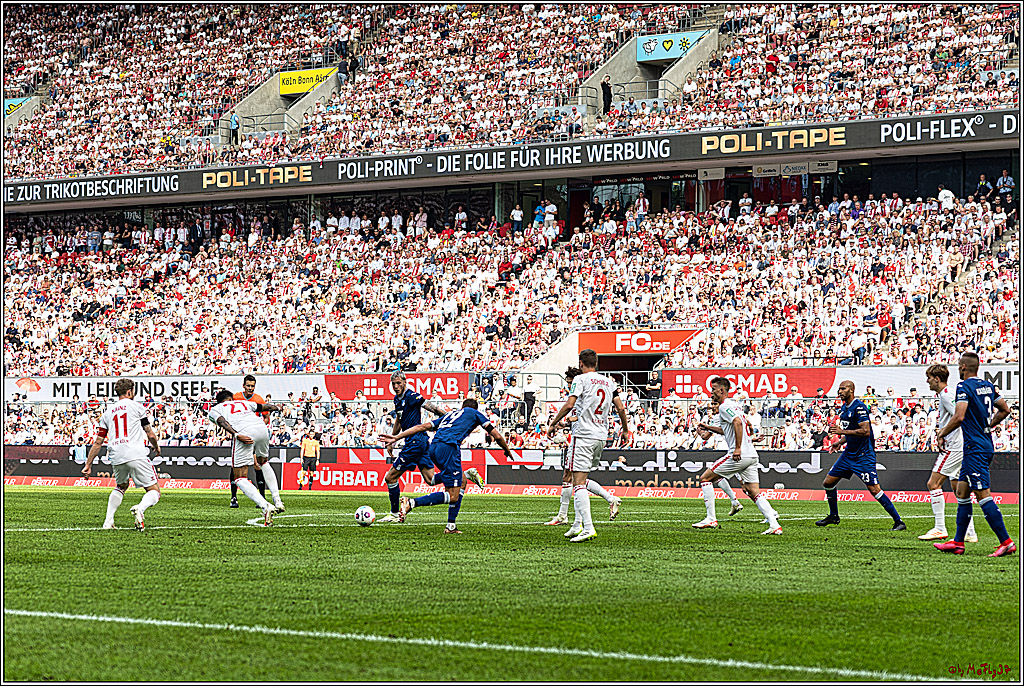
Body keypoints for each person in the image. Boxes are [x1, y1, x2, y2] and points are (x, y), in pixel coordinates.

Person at [382, 399, 512, 534]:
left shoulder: (449, 415)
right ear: (475, 408)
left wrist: (396, 437)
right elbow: (496, 435)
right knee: (453, 496)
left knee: (457, 482)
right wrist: (507, 450)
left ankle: (451, 526)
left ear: (462, 407)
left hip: (434, 447)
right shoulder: (474, 413)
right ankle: (411, 503)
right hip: (449, 447)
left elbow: (421, 427)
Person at [934, 353, 1015, 556]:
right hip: (983, 444)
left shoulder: (963, 387)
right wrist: (988, 426)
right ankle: (958, 542)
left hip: (974, 448)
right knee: (962, 491)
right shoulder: (988, 386)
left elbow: (959, 416)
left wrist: (942, 433)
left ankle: (1006, 542)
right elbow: (1005, 409)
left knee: (982, 495)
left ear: (962, 367)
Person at [546, 349, 631, 542]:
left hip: (583, 436)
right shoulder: (609, 382)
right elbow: (620, 407)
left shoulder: (581, 380)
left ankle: (588, 527)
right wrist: (625, 430)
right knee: (579, 480)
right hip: (601, 436)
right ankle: (578, 525)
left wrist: (553, 423)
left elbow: (569, 405)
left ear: (581, 364)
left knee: (577, 483)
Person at [378, 370, 484, 523]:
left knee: (390, 478)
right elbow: (399, 420)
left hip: (415, 442)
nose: (396, 386)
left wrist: (449, 417)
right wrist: (393, 441)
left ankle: (394, 514)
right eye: (393, 384)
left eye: (399, 383)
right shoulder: (397, 400)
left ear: (405, 382)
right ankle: (465, 474)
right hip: (419, 442)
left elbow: (432, 408)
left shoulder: (412, 396)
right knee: (431, 480)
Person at [693, 378, 782, 534]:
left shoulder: (724, 406)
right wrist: (708, 427)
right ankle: (774, 525)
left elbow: (738, 423)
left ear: (722, 390)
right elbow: (729, 428)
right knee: (753, 491)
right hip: (752, 455)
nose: (711, 392)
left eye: (713, 389)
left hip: (739, 454)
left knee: (705, 478)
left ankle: (710, 518)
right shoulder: (735, 405)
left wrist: (738, 448)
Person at [816, 380, 906, 531]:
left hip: (863, 456)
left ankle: (899, 522)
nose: (839, 392)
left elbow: (865, 431)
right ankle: (833, 516)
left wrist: (841, 432)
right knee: (828, 483)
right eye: (839, 389)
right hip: (848, 454)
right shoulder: (844, 408)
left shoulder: (859, 407)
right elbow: (852, 431)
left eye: (843, 389)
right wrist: (840, 441)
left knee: (874, 490)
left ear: (851, 390)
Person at [81, 378, 162, 530]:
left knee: (121, 485)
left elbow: (98, 442)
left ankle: (108, 521)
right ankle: (140, 508)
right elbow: (150, 433)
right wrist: (156, 447)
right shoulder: (138, 407)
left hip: (116, 454)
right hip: (135, 452)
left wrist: (88, 464)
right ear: (130, 392)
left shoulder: (107, 413)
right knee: (154, 490)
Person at [918, 364, 977, 542]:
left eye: (929, 378)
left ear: (936, 378)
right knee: (958, 489)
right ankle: (970, 532)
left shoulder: (946, 395)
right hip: (960, 446)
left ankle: (939, 528)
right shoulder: (947, 395)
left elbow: (959, 417)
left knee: (933, 484)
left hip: (954, 446)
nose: (927, 381)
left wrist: (942, 433)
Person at [208, 389, 283, 526]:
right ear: (231, 398)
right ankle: (277, 500)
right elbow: (265, 407)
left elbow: (222, 422)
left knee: (239, 477)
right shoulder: (243, 403)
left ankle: (265, 506)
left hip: (244, 432)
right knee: (263, 461)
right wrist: (277, 408)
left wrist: (236, 435)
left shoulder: (215, 409)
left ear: (219, 401)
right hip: (262, 428)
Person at [693, 398, 746, 518]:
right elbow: (746, 428)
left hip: (735, 453)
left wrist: (700, 430)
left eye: (714, 404)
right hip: (742, 451)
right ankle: (735, 502)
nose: (712, 407)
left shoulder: (720, 415)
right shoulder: (735, 413)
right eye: (711, 404)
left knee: (747, 487)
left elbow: (706, 436)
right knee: (717, 477)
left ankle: (711, 517)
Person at [228, 374, 269, 508]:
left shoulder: (258, 399)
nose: (250, 388)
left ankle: (261, 497)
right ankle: (233, 497)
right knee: (236, 467)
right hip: (240, 436)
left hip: (254, 437)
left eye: (252, 386)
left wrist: (260, 427)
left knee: (257, 465)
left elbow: (266, 416)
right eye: (248, 386)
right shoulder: (236, 398)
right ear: (243, 386)